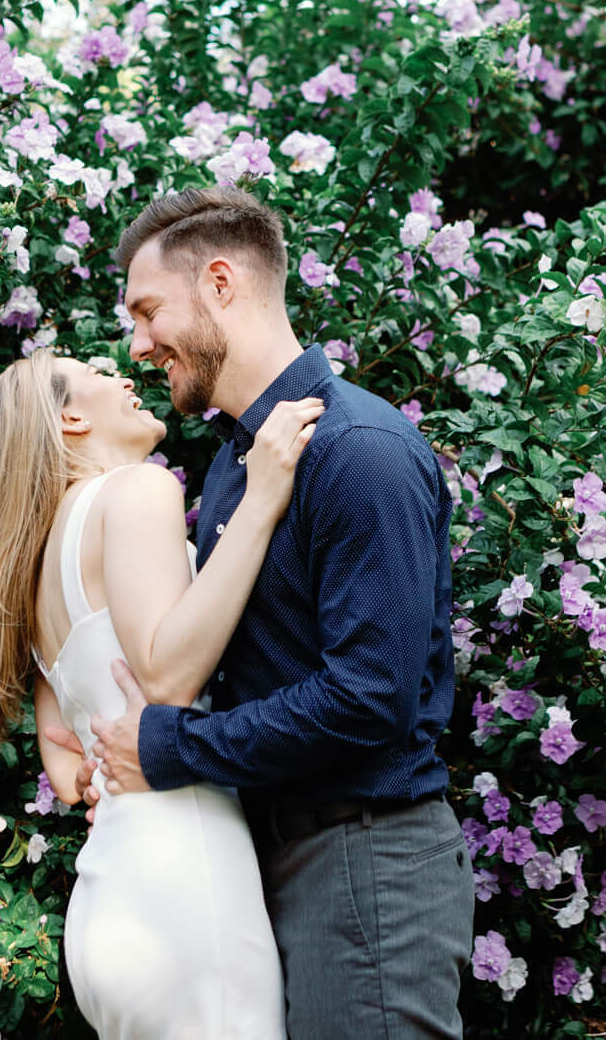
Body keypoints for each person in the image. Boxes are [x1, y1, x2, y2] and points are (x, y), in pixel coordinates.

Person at [52, 184, 473, 1038]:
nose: (137, 346)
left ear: (218, 283)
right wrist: (100, 750)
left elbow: (368, 698)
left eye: (147, 311)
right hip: (272, 858)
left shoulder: (359, 451)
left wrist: (169, 750)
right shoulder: (234, 475)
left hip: (368, 860)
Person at [0, 342, 324, 1039]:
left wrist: (102, 766)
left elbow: (68, 772)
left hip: (109, 901)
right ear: (70, 421)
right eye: (94, 375)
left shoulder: (37, 574)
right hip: (185, 870)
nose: (123, 374)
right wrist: (263, 497)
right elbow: (168, 678)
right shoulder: (137, 490)